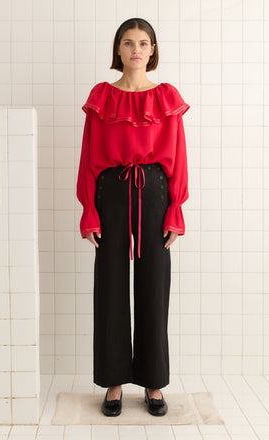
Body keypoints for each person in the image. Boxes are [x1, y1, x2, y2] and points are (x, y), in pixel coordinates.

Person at [76, 17, 190, 417]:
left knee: (154, 284)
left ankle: (154, 380)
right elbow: (89, 155)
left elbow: (178, 156)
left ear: (153, 50)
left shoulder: (166, 96)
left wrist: (175, 209)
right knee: (109, 283)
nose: (136, 49)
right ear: (118, 50)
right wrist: (89, 210)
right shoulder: (101, 95)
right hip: (111, 193)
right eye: (128, 42)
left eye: (144, 43)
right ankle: (113, 380)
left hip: (155, 193)